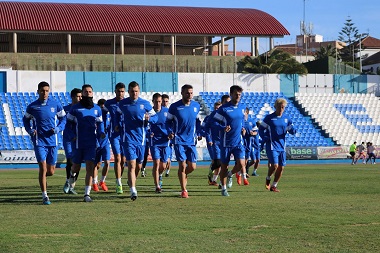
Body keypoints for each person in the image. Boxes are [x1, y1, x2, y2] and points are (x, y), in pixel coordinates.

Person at [22, 81, 66, 205]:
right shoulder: (32, 107)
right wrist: (30, 130)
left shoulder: (55, 104)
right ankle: (45, 196)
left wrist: (58, 129)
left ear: (49, 91)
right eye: (42, 90)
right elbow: (25, 120)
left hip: (53, 141)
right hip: (39, 141)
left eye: (47, 90)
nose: (45, 93)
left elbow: (63, 119)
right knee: (42, 166)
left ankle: (42, 177)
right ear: (38, 91)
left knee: (51, 171)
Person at [115, 81, 157, 200]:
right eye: (132, 91)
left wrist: (149, 119)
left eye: (136, 91)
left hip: (141, 140)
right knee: (132, 165)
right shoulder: (123, 104)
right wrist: (116, 124)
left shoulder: (145, 104)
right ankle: (133, 190)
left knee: (138, 165)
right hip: (127, 139)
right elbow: (116, 115)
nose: (134, 93)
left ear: (139, 91)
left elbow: (155, 117)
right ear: (128, 92)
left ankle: (131, 181)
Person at [67, 84, 105, 202]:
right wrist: (72, 135)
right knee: (76, 167)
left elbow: (100, 124)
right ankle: (71, 177)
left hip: (91, 143)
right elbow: (68, 125)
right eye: (85, 91)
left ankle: (86, 194)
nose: (88, 93)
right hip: (78, 143)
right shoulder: (75, 108)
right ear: (82, 94)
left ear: (92, 93)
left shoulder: (97, 109)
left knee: (90, 167)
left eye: (90, 91)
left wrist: (101, 132)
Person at [211, 85, 248, 197]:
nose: (238, 96)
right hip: (226, 142)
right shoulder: (223, 109)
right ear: (231, 94)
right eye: (236, 94)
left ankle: (231, 174)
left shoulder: (242, 107)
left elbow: (243, 121)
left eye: (240, 94)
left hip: (238, 141)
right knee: (224, 166)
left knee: (242, 164)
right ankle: (224, 188)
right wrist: (222, 128)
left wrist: (243, 128)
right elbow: (214, 123)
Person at [167, 84, 202, 198]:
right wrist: (170, 131)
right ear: (182, 93)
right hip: (179, 140)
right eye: (187, 93)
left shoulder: (196, 106)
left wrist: (200, 133)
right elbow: (168, 122)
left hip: (191, 141)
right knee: (182, 165)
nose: (190, 95)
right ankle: (184, 190)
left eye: (191, 93)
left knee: (192, 167)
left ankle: (182, 175)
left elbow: (198, 121)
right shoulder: (174, 107)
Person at [259, 98, 296, 192]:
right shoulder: (269, 118)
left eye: (283, 107)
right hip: (271, 145)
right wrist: (264, 137)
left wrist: (293, 130)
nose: (281, 109)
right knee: (275, 165)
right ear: (275, 107)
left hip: (282, 146)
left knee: (281, 167)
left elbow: (291, 130)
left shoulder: (287, 119)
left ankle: (274, 186)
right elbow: (260, 129)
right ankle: (268, 178)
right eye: (279, 107)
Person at [204, 94, 230, 187]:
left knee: (224, 163)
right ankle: (214, 176)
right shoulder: (213, 115)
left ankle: (218, 181)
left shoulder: (230, 113)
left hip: (226, 142)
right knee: (218, 162)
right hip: (215, 141)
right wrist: (209, 139)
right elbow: (206, 127)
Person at [105, 82, 126, 194]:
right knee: (117, 158)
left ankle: (120, 178)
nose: (120, 93)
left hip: (126, 135)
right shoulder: (109, 103)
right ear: (115, 91)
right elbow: (102, 114)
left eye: (122, 91)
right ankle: (118, 183)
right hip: (114, 135)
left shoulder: (127, 103)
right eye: (118, 91)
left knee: (123, 160)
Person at [150, 93, 172, 193]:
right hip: (154, 141)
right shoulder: (149, 112)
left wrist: (171, 133)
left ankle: (159, 175)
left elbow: (172, 124)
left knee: (163, 165)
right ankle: (157, 186)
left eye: (160, 101)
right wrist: (148, 133)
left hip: (165, 141)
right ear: (153, 102)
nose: (158, 103)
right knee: (156, 163)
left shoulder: (167, 112)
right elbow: (145, 125)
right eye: (156, 102)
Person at [62, 88, 82, 194]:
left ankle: (70, 184)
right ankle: (68, 183)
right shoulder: (65, 109)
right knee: (70, 161)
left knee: (77, 162)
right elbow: (63, 123)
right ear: (72, 97)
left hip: (79, 139)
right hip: (68, 139)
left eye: (81, 96)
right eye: (78, 96)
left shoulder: (82, 109)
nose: (80, 98)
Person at [92, 98, 111, 192]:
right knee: (97, 164)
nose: (103, 108)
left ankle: (102, 181)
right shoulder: (95, 116)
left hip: (105, 143)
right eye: (101, 106)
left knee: (107, 163)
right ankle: (94, 183)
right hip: (96, 143)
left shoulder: (108, 117)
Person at [161, 93, 172, 177]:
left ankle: (167, 171)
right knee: (159, 161)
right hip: (158, 139)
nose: (165, 103)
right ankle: (159, 176)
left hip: (168, 138)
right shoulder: (156, 111)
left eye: (166, 101)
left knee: (168, 159)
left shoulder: (170, 112)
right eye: (163, 101)